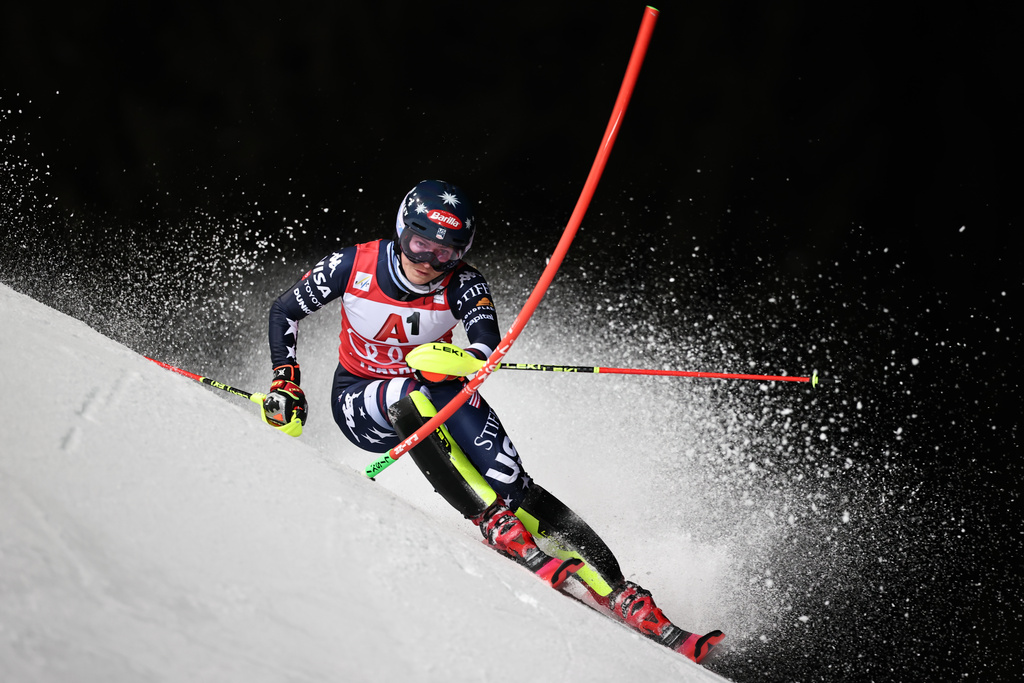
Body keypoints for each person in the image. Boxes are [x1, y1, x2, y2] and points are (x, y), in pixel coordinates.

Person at [262, 179, 723, 663]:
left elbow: (486, 346)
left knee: (517, 486)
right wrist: (287, 379)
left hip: (436, 391)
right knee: (411, 396)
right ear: (402, 231)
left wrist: (457, 360)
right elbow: (284, 311)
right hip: (361, 401)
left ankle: (623, 591)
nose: (429, 262)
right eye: (420, 245)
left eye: (446, 253)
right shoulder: (352, 264)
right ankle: (488, 518)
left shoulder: (465, 282)